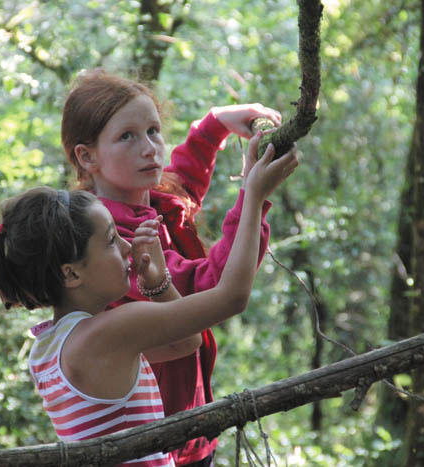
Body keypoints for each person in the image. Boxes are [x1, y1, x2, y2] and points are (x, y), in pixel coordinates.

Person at [0, 135, 298, 466]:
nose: (126, 246)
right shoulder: (105, 334)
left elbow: (185, 344)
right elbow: (232, 298)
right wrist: (254, 196)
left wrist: (158, 284)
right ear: (70, 275)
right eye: (110, 240)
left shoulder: (50, 346)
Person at [60, 69, 284, 466]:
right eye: (126, 136)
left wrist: (213, 126)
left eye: (153, 130)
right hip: (160, 442)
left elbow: (182, 183)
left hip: (188, 425)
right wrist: (253, 197)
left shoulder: (146, 198)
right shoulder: (115, 245)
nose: (149, 148)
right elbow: (208, 287)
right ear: (86, 156)